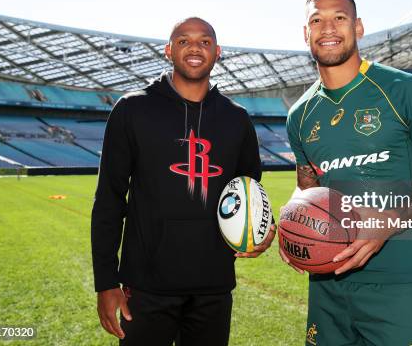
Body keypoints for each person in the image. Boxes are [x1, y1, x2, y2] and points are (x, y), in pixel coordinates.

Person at [283, 0, 412, 346]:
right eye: (316, 20)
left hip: (396, 288)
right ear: (305, 33)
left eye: (339, 18)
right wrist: (290, 223)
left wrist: (388, 223)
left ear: (357, 28)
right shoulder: (299, 115)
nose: (328, 28)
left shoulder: (405, 90)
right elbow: (307, 189)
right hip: (326, 287)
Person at [91, 17, 275, 346]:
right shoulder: (132, 109)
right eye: (183, 41)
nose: (194, 47)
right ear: (168, 50)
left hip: (213, 286)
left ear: (217, 52)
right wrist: (105, 282)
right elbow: (109, 199)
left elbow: (249, 192)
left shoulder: (237, 118)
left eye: (204, 41)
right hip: (146, 288)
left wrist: (264, 228)